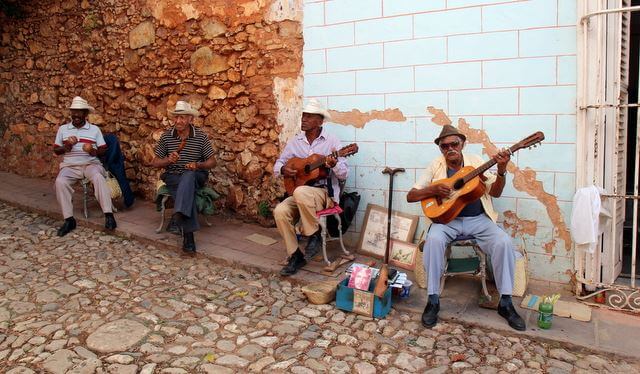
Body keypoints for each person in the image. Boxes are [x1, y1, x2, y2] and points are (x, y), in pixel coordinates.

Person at [406, 124, 526, 331]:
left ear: (462, 144)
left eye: (454, 143)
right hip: (446, 222)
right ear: (440, 149)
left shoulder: (476, 163)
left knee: (503, 242)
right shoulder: (435, 166)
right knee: (433, 241)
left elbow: (495, 193)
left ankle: (505, 302)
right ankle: (433, 299)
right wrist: (433, 189)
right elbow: (411, 195)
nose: (450, 148)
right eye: (445, 146)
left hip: (478, 219)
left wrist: (502, 169)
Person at [273, 99, 348, 276]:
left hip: (323, 194)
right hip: (301, 193)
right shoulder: (296, 141)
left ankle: (312, 233)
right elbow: (279, 164)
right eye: (303, 115)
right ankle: (295, 255)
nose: (304, 119)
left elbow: (344, 174)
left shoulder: (332, 141)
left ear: (320, 121)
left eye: (309, 116)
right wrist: (284, 169)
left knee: (300, 192)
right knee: (280, 211)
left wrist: (333, 164)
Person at [150, 101, 216, 253]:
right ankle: (188, 235)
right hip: (173, 176)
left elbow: (213, 162)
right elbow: (154, 162)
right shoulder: (167, 137)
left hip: (196, 175)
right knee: (185, 187)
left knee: (189, 175)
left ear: (190, 119)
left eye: (183, 118)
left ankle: (180, 216)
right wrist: (168, 160)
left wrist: (198, 165)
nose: (178, 121)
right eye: (176, 117)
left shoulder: (200, 136)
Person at [53, 96, 117, 236]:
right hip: (69, 166)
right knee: (60, 182)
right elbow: (56, 150)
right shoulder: (63, 129)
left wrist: (92, 150)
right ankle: (69, 220)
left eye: (79, 112)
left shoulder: (94, 130)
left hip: (90, 164)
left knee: (98, 177)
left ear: (86, 114)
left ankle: (109, 215)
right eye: (73, 112)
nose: (76, 115)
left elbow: (103, 151)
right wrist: (67, 145)